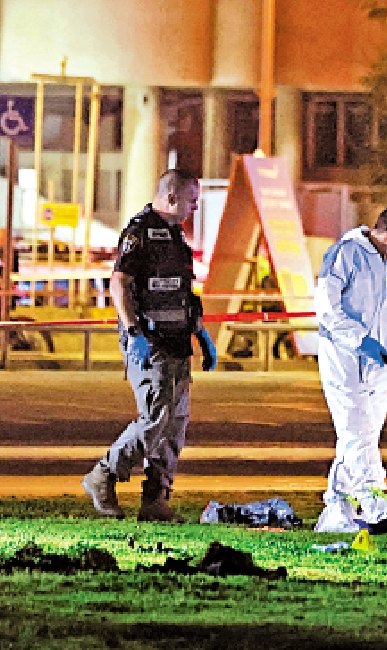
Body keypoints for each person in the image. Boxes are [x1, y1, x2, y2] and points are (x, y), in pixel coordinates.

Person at [81, 169, 218, 522]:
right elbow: (119, 285)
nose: (195, 209)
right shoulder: (140, 233)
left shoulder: (175, 236)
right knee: (156, 417)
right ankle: (104, 474)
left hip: (177, 342)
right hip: (151, 342)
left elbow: (183, 292)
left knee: (176, 423)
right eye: (192, 201)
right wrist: (134, 332)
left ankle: (155, 500)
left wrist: (200, 333)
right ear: (172, 198)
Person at [313, 205, 387, 533]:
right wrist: (360, 340)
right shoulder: (346, 255)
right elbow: (327, 308)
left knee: (366, 433)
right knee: (354, 432)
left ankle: (337, 507)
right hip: (344, 358)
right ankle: (373, 502)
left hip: (378, 362)